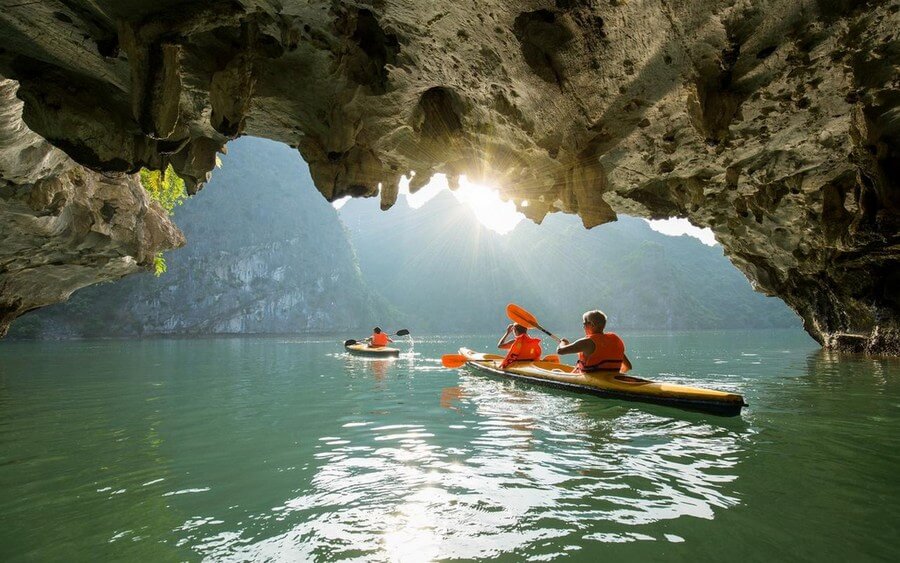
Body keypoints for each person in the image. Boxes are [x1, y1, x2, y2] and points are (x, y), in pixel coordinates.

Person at [556, 310, 633, 373]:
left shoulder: (587, 342)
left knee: (555, 371)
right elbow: (628, 366)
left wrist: (563, 343)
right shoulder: (615, 340)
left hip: (591, 380)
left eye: (584, 323)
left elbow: (560, 351)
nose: (583, 327)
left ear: (592, 324)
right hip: (611, 379)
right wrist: (613, 377)